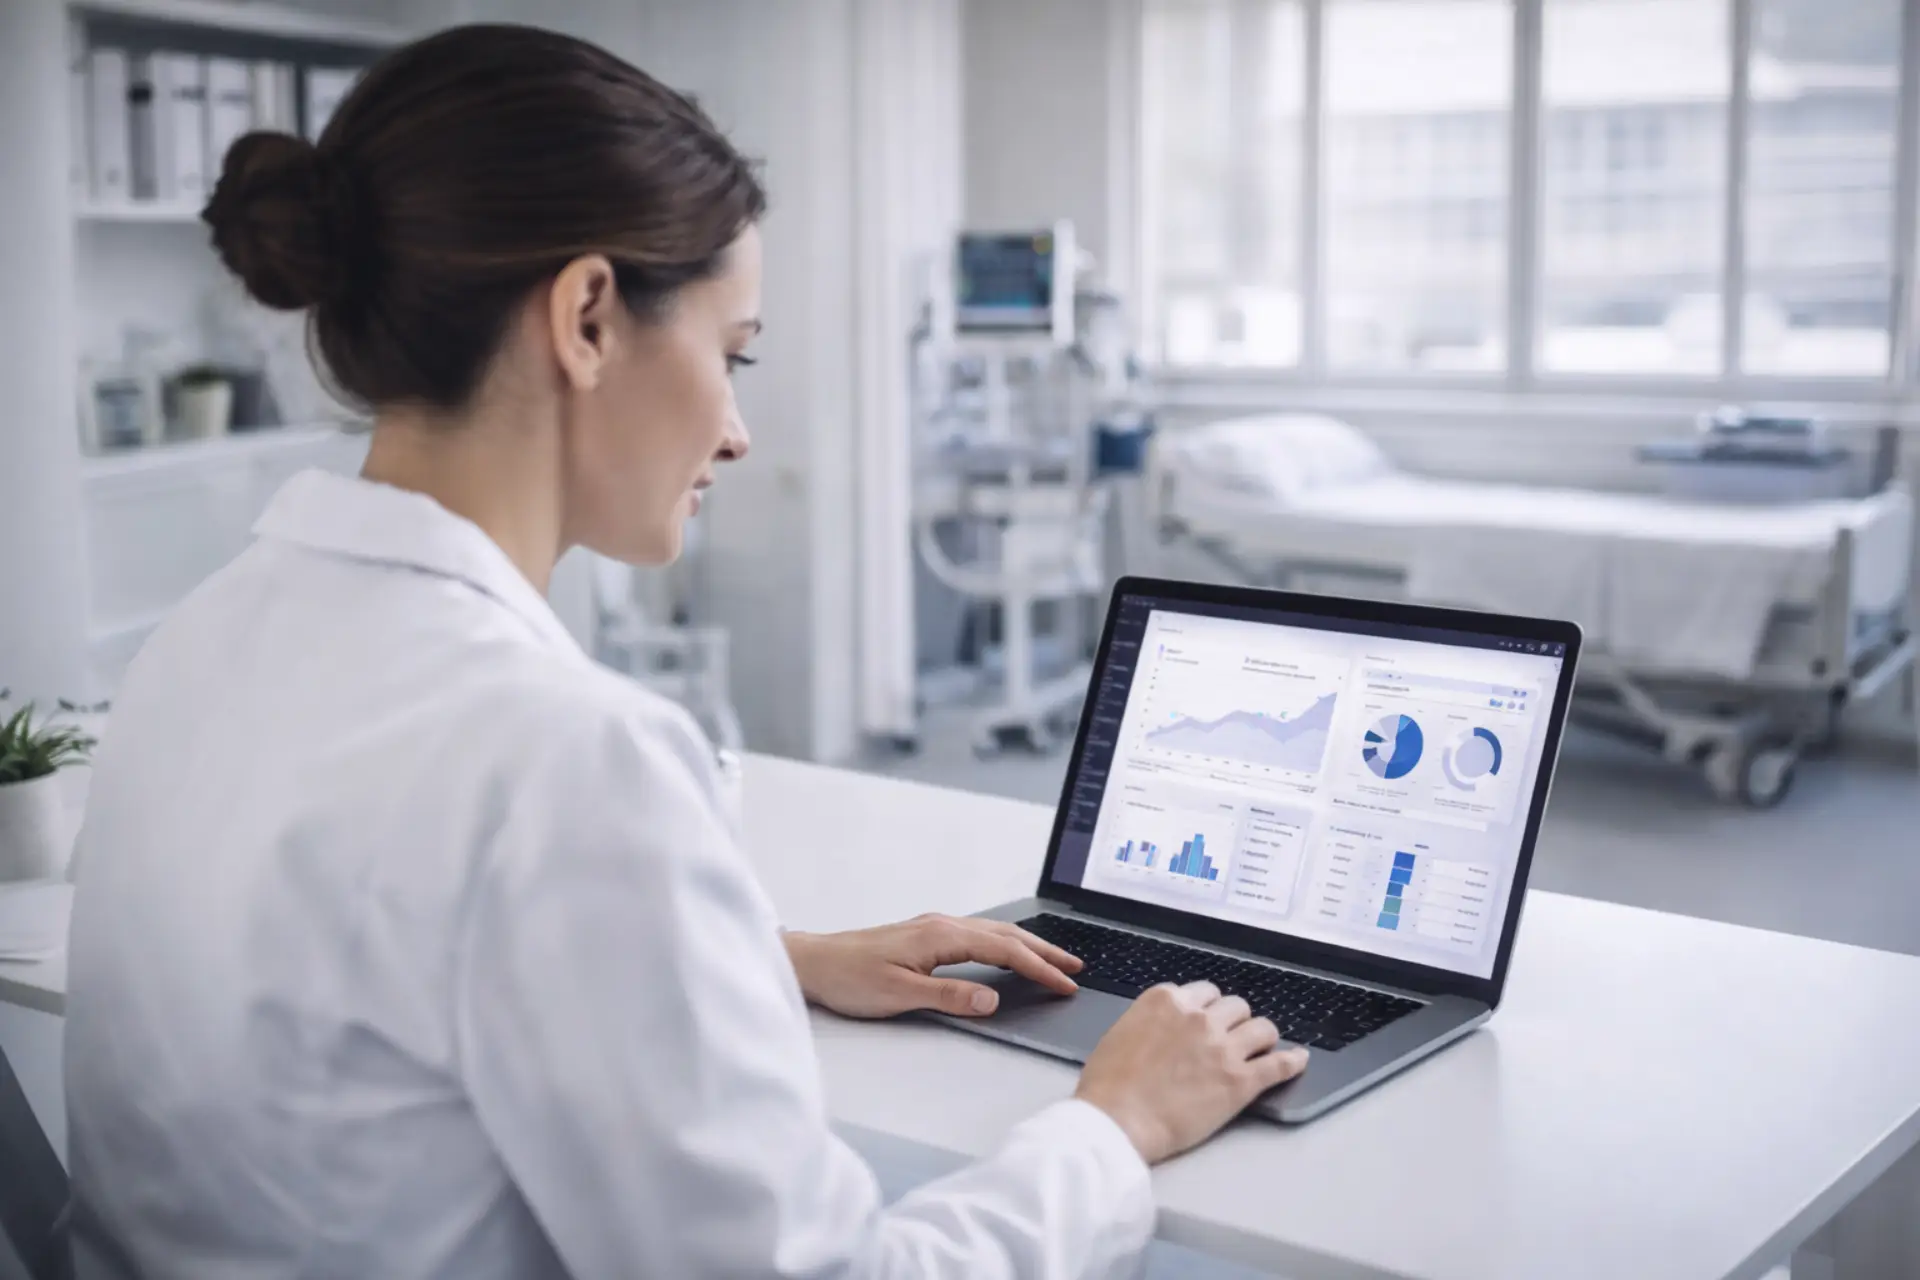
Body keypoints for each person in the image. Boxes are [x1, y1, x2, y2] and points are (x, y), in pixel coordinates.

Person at [62, 24, 1308, 1280]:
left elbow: (371, 987)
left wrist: (773, 959)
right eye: (732, 352)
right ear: (588, 318)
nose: (738, 430)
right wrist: (1113, 1126)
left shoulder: (197, 643)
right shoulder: (564, 756)